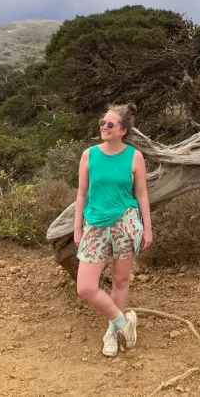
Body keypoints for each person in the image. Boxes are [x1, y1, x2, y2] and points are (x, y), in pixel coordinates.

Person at [73, 102, 153, 357]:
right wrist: (77, 228)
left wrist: (147, 229)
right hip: (95, 224)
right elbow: (82, 192)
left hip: (126, 224)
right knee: (85, 287)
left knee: (120, 280)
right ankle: (123, 323)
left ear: (123, 131)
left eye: (110, 124)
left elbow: (141, 194)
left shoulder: (134, 156)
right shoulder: (89, 155)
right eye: (102, 122)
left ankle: (112, 332)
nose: (104, 127)